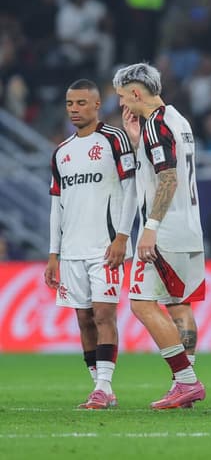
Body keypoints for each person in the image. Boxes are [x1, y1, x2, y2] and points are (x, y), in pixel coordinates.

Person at [114, 63, 206, 410]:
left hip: (164, 229)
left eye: (123, 97)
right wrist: (137, 142)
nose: (123, 104)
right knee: (178, 305)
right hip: (190, 228)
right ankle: (184, 386)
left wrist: (149, 228)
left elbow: (168, 179)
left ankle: (186, 382)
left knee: (140, 303)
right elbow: (165, 167)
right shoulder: (178, 120)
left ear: (136, 93)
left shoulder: (155, 124)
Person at [46, 79, 137, 409]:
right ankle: (100, 387)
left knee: (103, 316)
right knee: (83, 319)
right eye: (70, 103)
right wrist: (53, 253)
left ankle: (103, 384)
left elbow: (131, 190)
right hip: (71, 252)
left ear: (98, 105)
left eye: (81, 103)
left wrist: (122, 237)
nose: (74, 109)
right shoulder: (61, 153)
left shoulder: (115, 140)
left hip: (105, 248)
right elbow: (57, 205)